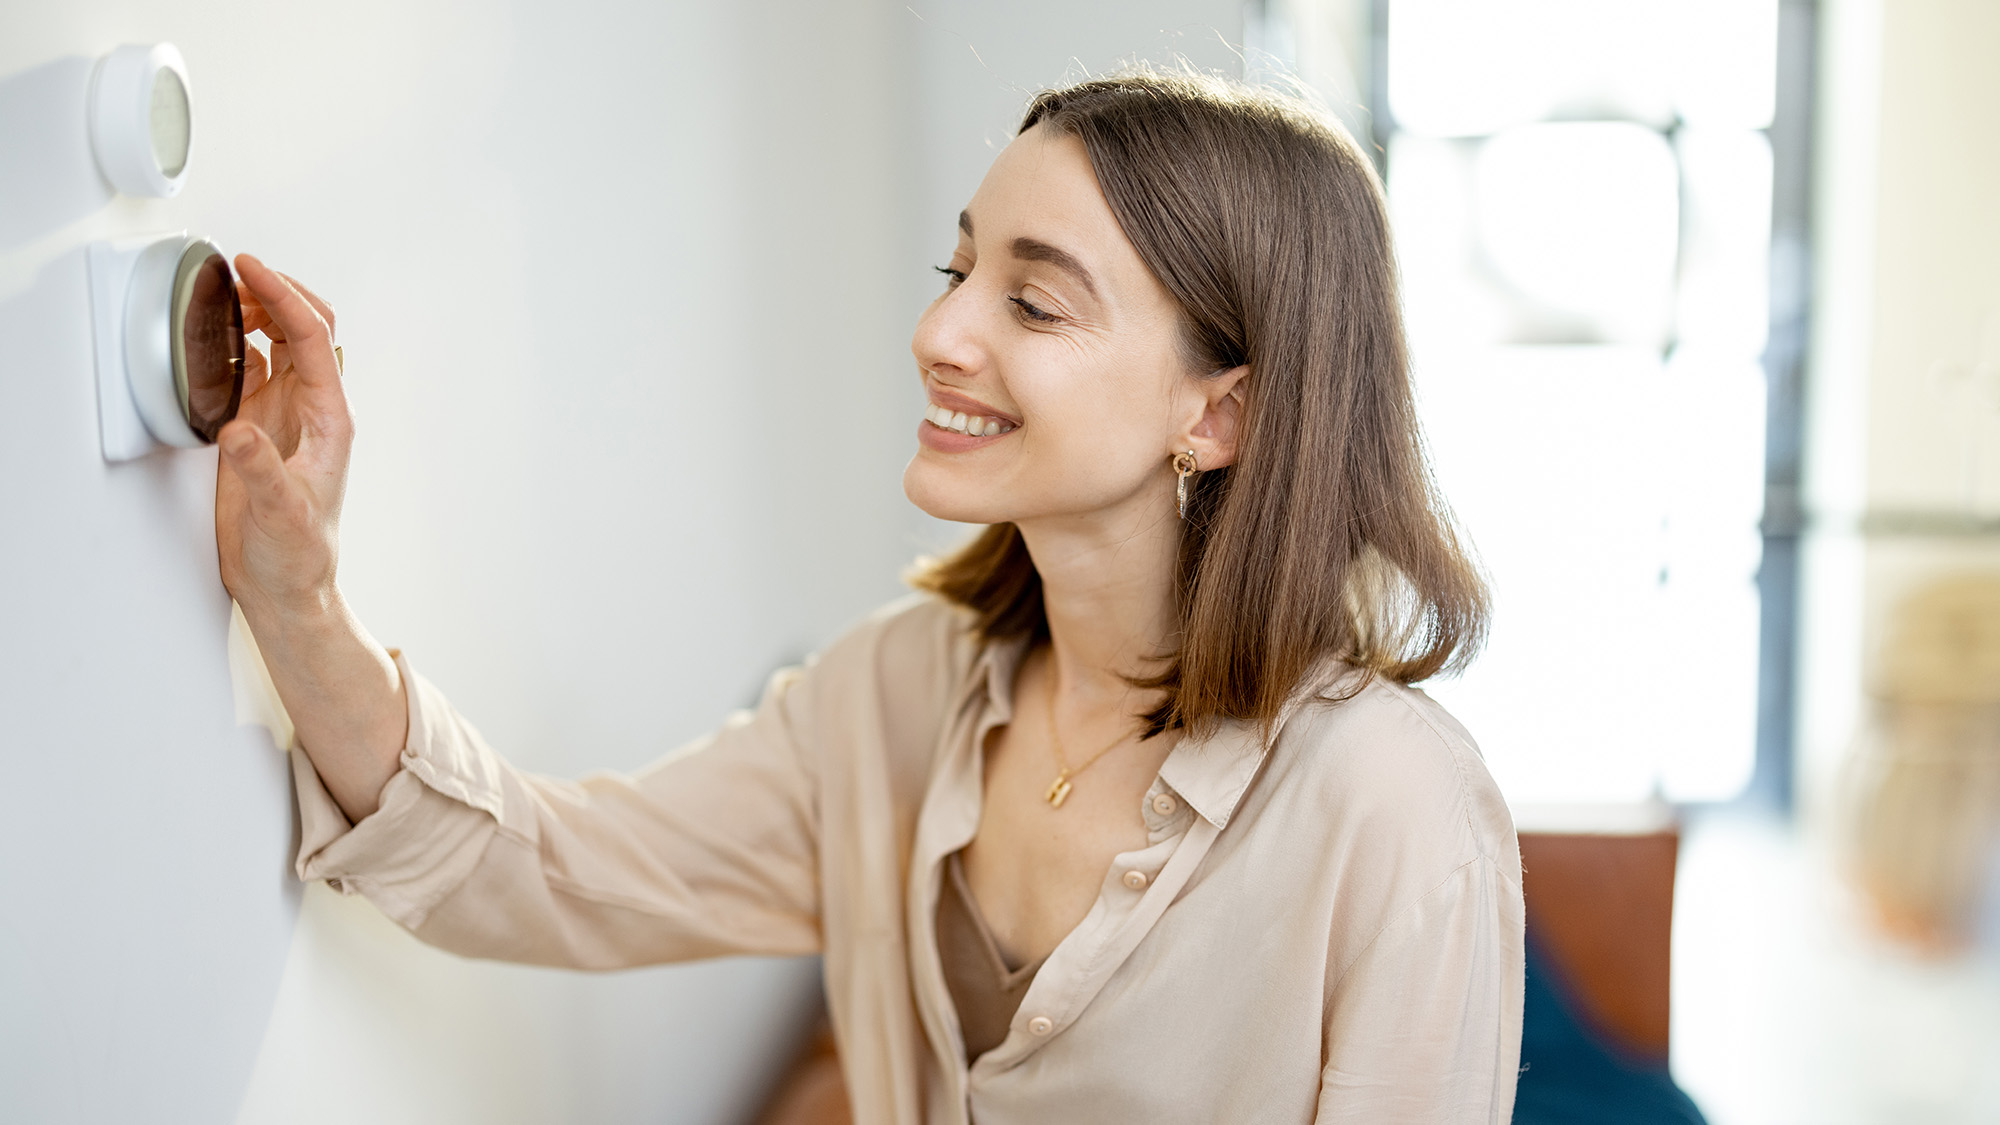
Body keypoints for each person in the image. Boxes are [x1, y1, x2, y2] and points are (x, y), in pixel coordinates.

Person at [216, 69, 1524, 1124]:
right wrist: (296, 593)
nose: (939, 334)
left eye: (1034, 304)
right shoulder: (893, 694)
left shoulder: (1398, 810)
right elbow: (533, 869)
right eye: (958, 274)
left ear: (1217, 414)